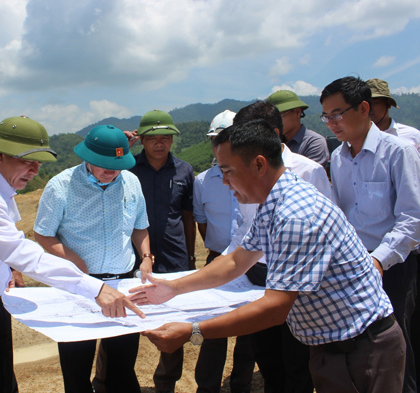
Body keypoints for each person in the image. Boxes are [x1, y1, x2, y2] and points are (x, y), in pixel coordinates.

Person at [130, 119, 406, 393]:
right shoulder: (274, 202)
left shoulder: (296, 216)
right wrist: (173, 288)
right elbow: (237, 261)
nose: (224, 182)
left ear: (259, 164)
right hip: (335, 345)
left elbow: (275, 308)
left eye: (228, 171)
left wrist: (193, 332)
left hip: (360, 350)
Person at [0, 116, 145, 393]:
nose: (34, 170)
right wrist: (95, 288)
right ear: (0, 155)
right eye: (27, 160)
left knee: (1, 385)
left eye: (39, 162)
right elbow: (24, 252)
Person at [33, 124, 151, 393]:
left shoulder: (131, 182)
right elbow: (44, 235)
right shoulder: (61, 186)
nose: (111, 172)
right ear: (87, 158)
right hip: (79, 286)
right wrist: (74, 260)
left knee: (122, 367)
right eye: (104, 165)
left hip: (122, 285)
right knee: (76, 370)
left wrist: (145, 256)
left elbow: (139, 226)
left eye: (116, 166)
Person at [322, 76, 420, 393]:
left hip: (392, 266)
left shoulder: (399, 152)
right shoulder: (338, 157)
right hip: (356, 267)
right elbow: (342, 215)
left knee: (396, 345)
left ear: (364, 108)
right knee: (366, 348)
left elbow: (412, 218)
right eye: (326, 116)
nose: (331, 123)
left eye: (337, 113)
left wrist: (378, 261)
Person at [229, 101, 333, 393]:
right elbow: (243, 234)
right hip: (259, 278)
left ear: (273, 134)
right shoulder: (247, 175)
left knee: (297, 360)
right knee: (267, 355)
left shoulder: (306, 174)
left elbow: (322, 234)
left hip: (298, 284)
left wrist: (195, 331)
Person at [129, 109, 196, 393]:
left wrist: (190, 256)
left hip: (174, 256)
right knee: (124, 320)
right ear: (142, 140)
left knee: (174, 321)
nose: (160, 143)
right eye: (153, 138)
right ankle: (110, 381)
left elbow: (187, 215)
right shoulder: (127, 168)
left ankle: (166, 383)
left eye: (166, 137)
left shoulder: (184, 171)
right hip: (133, 257)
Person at [193, 110, 255, 393]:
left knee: (248, 331)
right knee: (213, 329)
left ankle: (242, 382)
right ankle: (207, 386)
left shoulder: (254, 177)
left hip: (252, 261)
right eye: (216, 138)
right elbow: (200, 221)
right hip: (219, 258)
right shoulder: (203, 181)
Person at [266, 90, 330, 169]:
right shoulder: (271, 142)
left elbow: (309, 175)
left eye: (277, 117)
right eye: (269, 118)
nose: (272, 122)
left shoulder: (314, 143)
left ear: (297, 112)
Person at [366, 78, 420, 153]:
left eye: (374, 103)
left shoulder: (413, 136)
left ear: (388, 104)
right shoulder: (357, 142)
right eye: (365, 105)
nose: (369, 108)